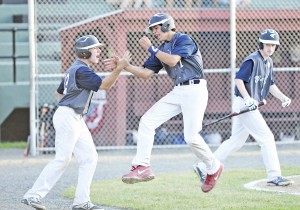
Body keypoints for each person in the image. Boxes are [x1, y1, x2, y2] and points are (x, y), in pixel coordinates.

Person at [114, 13, 223, 193]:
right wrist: (123, 66)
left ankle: (213, 167)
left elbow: (173, 60)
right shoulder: (161, 48)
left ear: (167, 26)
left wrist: (151, 48)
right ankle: (142, 166)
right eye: (153, 29)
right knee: (147, 121)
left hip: (195, 89)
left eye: (156, 28)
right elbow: (145, 73)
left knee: (191, 137)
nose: (154, 32)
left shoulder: (183, 39)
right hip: (179, 90)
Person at [21, 35, 130, 210]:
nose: (98, 51)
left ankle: (81, 202)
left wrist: (70, 105)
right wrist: (120, 68)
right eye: (95, 49)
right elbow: (106, 85)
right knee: (62, 159)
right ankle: (33, 195)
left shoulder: (75, 68)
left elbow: (58, 94)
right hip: (69, 116)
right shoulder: (82, 70)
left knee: (89, 157)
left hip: (74, 117)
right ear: (85, 52)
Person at [193, 29, 293, 187]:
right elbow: (239, 80)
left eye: (273, 45)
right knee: (267, 138)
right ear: (261, 44)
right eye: (267, 44)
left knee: (236, 142)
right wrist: (247, 98)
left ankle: (204, 167)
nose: (270, 48)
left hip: (248, 104)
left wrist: (282, 97)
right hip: (244, 103)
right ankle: (274, 176)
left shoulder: (268, 62)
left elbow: (270, 84)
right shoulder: (253, 59)